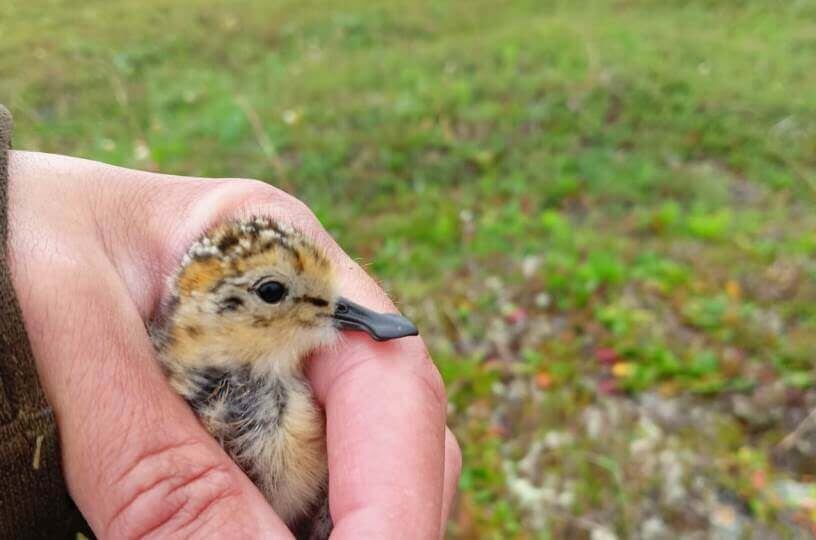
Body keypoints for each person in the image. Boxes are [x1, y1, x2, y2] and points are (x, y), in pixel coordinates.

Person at [0, 106, 461, 538]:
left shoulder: (301, 407)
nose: (342, 311)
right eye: (274, 293)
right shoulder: (182, 394)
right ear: (212, 314)